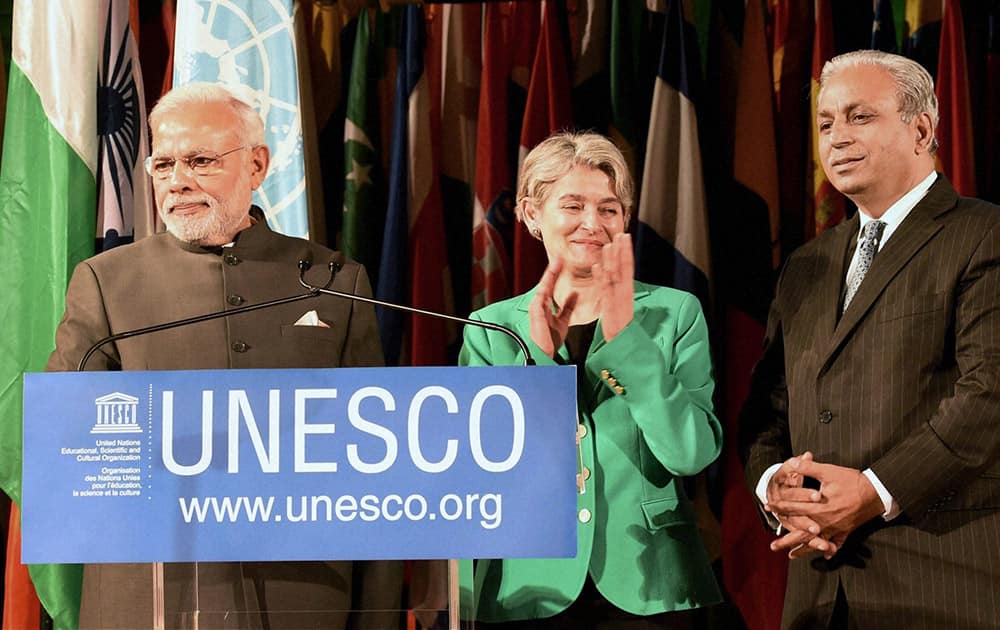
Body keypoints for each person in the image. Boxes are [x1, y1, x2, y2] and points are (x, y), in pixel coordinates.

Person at [47, 83, 402, 629]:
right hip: (151, 591)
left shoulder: (334, 278)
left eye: (200, 160)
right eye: (162, 164)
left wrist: (375, 612)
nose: (178, 181)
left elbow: (373, 462)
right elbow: (68, 441)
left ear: (256, 165)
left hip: (302, 596)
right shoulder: (105, 281)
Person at [739, 50, 1000, 629]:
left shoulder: (984, 234)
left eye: (860, 117)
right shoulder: (807, 264)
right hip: (818, 594)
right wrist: (778, 490)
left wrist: (871, 491)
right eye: (826, 122)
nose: (837, 138)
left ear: (922, 129)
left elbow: (989, 396)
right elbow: (767, 410)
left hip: (944, 583)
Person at [460, 131, 723, 628]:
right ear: (532, 215)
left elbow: (689, 453)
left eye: (609, 208)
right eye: (573, 205)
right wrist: (537, 361)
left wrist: (628, 346)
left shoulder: (674, 313)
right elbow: (484, 472)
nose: (592, 224)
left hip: (651, 585)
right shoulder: (491, 330)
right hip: (528, 587)